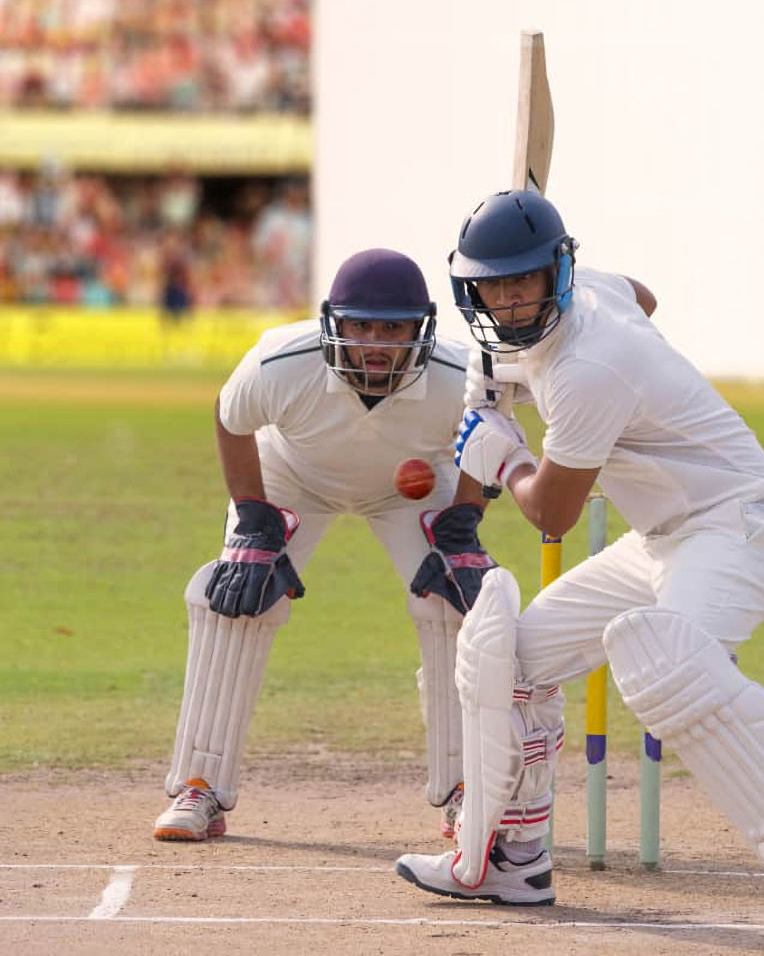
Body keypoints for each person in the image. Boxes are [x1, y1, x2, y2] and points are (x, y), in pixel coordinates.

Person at [391, 191, 764, 949]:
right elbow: (641, 297)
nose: (511, 298)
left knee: (667, 667)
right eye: (495, 284)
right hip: (661, 537)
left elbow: (550, 512)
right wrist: (508, 391)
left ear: (557, 269)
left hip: (739, 525)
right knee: (511, 659)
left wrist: (505, 453)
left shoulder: (589, 370)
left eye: (524, 280)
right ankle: (511, 860)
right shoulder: (588, 296)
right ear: (472, 289)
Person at [154, 248, 505, 842]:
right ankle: (200, 787)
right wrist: (253, 519)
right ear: (332, 321)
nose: (374, 341)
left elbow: (490, 436)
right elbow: (229, 418)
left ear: (420, 327)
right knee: (238, 600)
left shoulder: (462, 375)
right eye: (360, 324)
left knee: (456, 602)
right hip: (292, 476)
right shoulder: (279, 362)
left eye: (392, 328)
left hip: (412, 481)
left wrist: (464, 522)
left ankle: (467, 789)